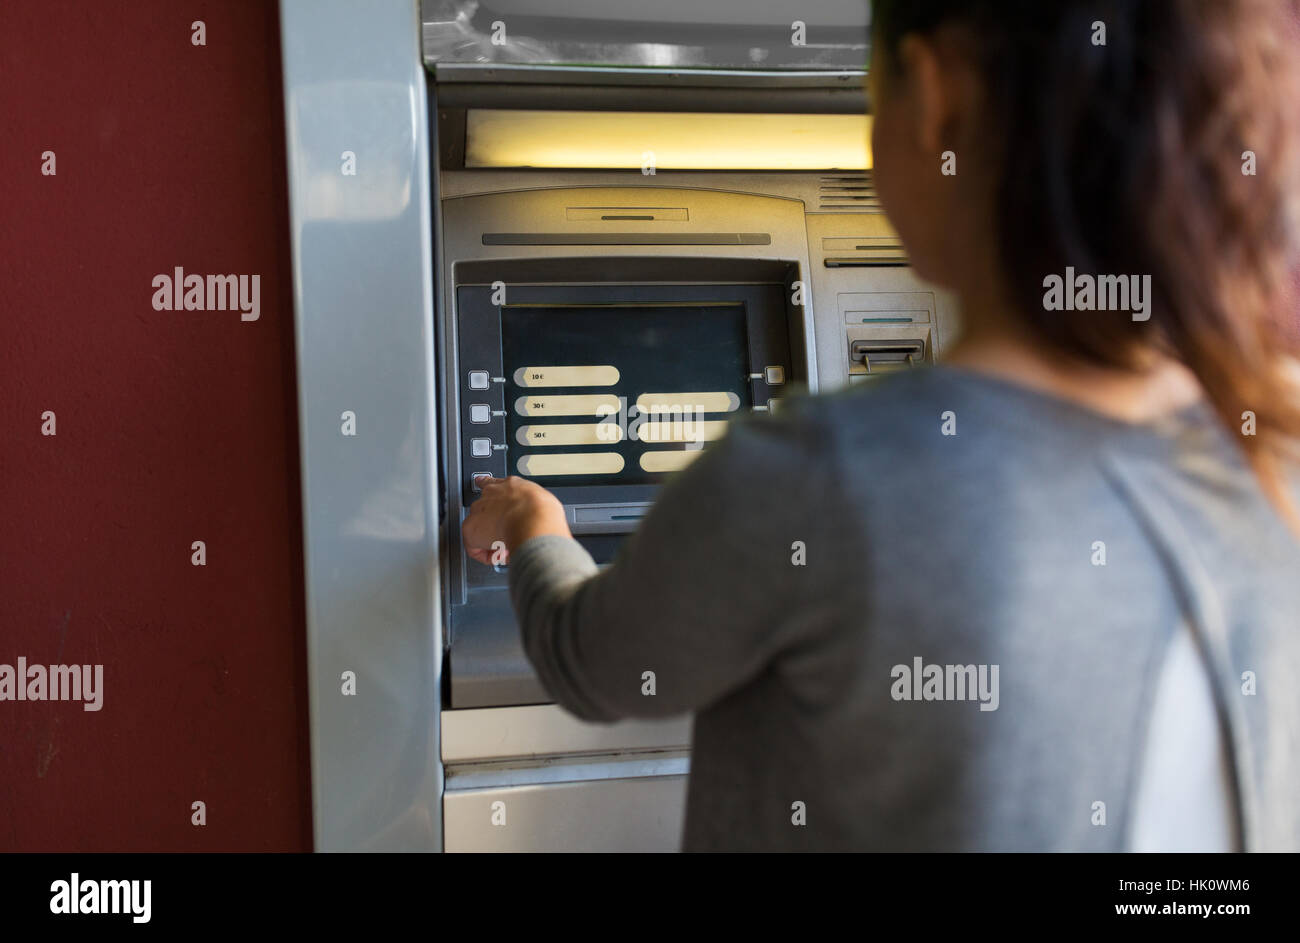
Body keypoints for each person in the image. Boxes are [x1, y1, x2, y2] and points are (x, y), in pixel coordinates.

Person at [461, 0, 1300, 851]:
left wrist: (536, 524)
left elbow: (598, 664)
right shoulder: (1269, 458)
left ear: (937, 97)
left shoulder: (819, 474)